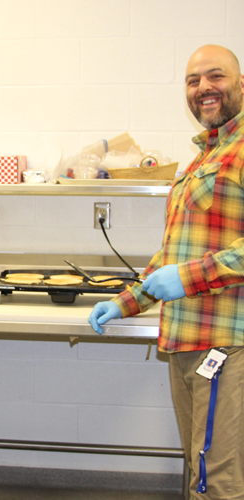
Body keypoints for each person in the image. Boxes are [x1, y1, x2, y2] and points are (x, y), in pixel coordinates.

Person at [89, 44, 244, 498]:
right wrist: (124, 302)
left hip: (227, 343)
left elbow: (185, 269)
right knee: (199, 471)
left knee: (218, 482)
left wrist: (188, 278)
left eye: (215, 76)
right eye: (193, 81)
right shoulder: (204, 157)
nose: (203, 88)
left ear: (240, 84)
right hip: (187, 341)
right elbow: (173, 255)